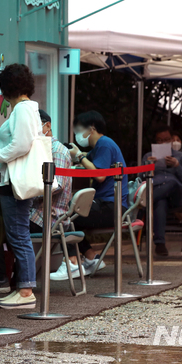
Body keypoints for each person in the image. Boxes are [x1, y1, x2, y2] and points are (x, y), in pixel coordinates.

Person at [0, 109, 73, 293]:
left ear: (47, 125)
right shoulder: (39, 147)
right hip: (38, 212)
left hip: (49, 216)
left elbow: (58, 186)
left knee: (0, 229)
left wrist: (27, 190)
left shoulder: (57, 150)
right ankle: (10, 279)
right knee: (1, 225)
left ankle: (4, 281)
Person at [50, 110, 126, 280]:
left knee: (65, 216)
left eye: (78, 130)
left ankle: (72, 263)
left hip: (111, 207)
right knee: (73, 213)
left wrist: (78, 155)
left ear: (91, 128)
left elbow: (99, 175)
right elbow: (85, 163)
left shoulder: (104, 144)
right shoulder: (99, 147)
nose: (77, 134)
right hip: (109, 204)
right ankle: (91, 258)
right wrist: (77, 156)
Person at [0, 63, 41, 309]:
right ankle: (24, 288)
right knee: (19, 235)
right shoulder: (28, 108)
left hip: (13, 181)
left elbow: (20, 146)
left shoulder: (21, 110)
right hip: (15, 180)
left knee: (18, 235)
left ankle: (25, 290)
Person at [142, 124, 182, 256]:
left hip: (176, 195)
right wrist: (149, 167)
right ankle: (160, 244)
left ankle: (143, 201)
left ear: (172, 139)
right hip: (157, 193)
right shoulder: (148, 156)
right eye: (160, 140)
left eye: (167, 139)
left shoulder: (181, 156)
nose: (164, 143)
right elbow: (140, 179)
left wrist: (177, 166)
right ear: (155, 141)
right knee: (161, 202)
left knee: (171, 181)